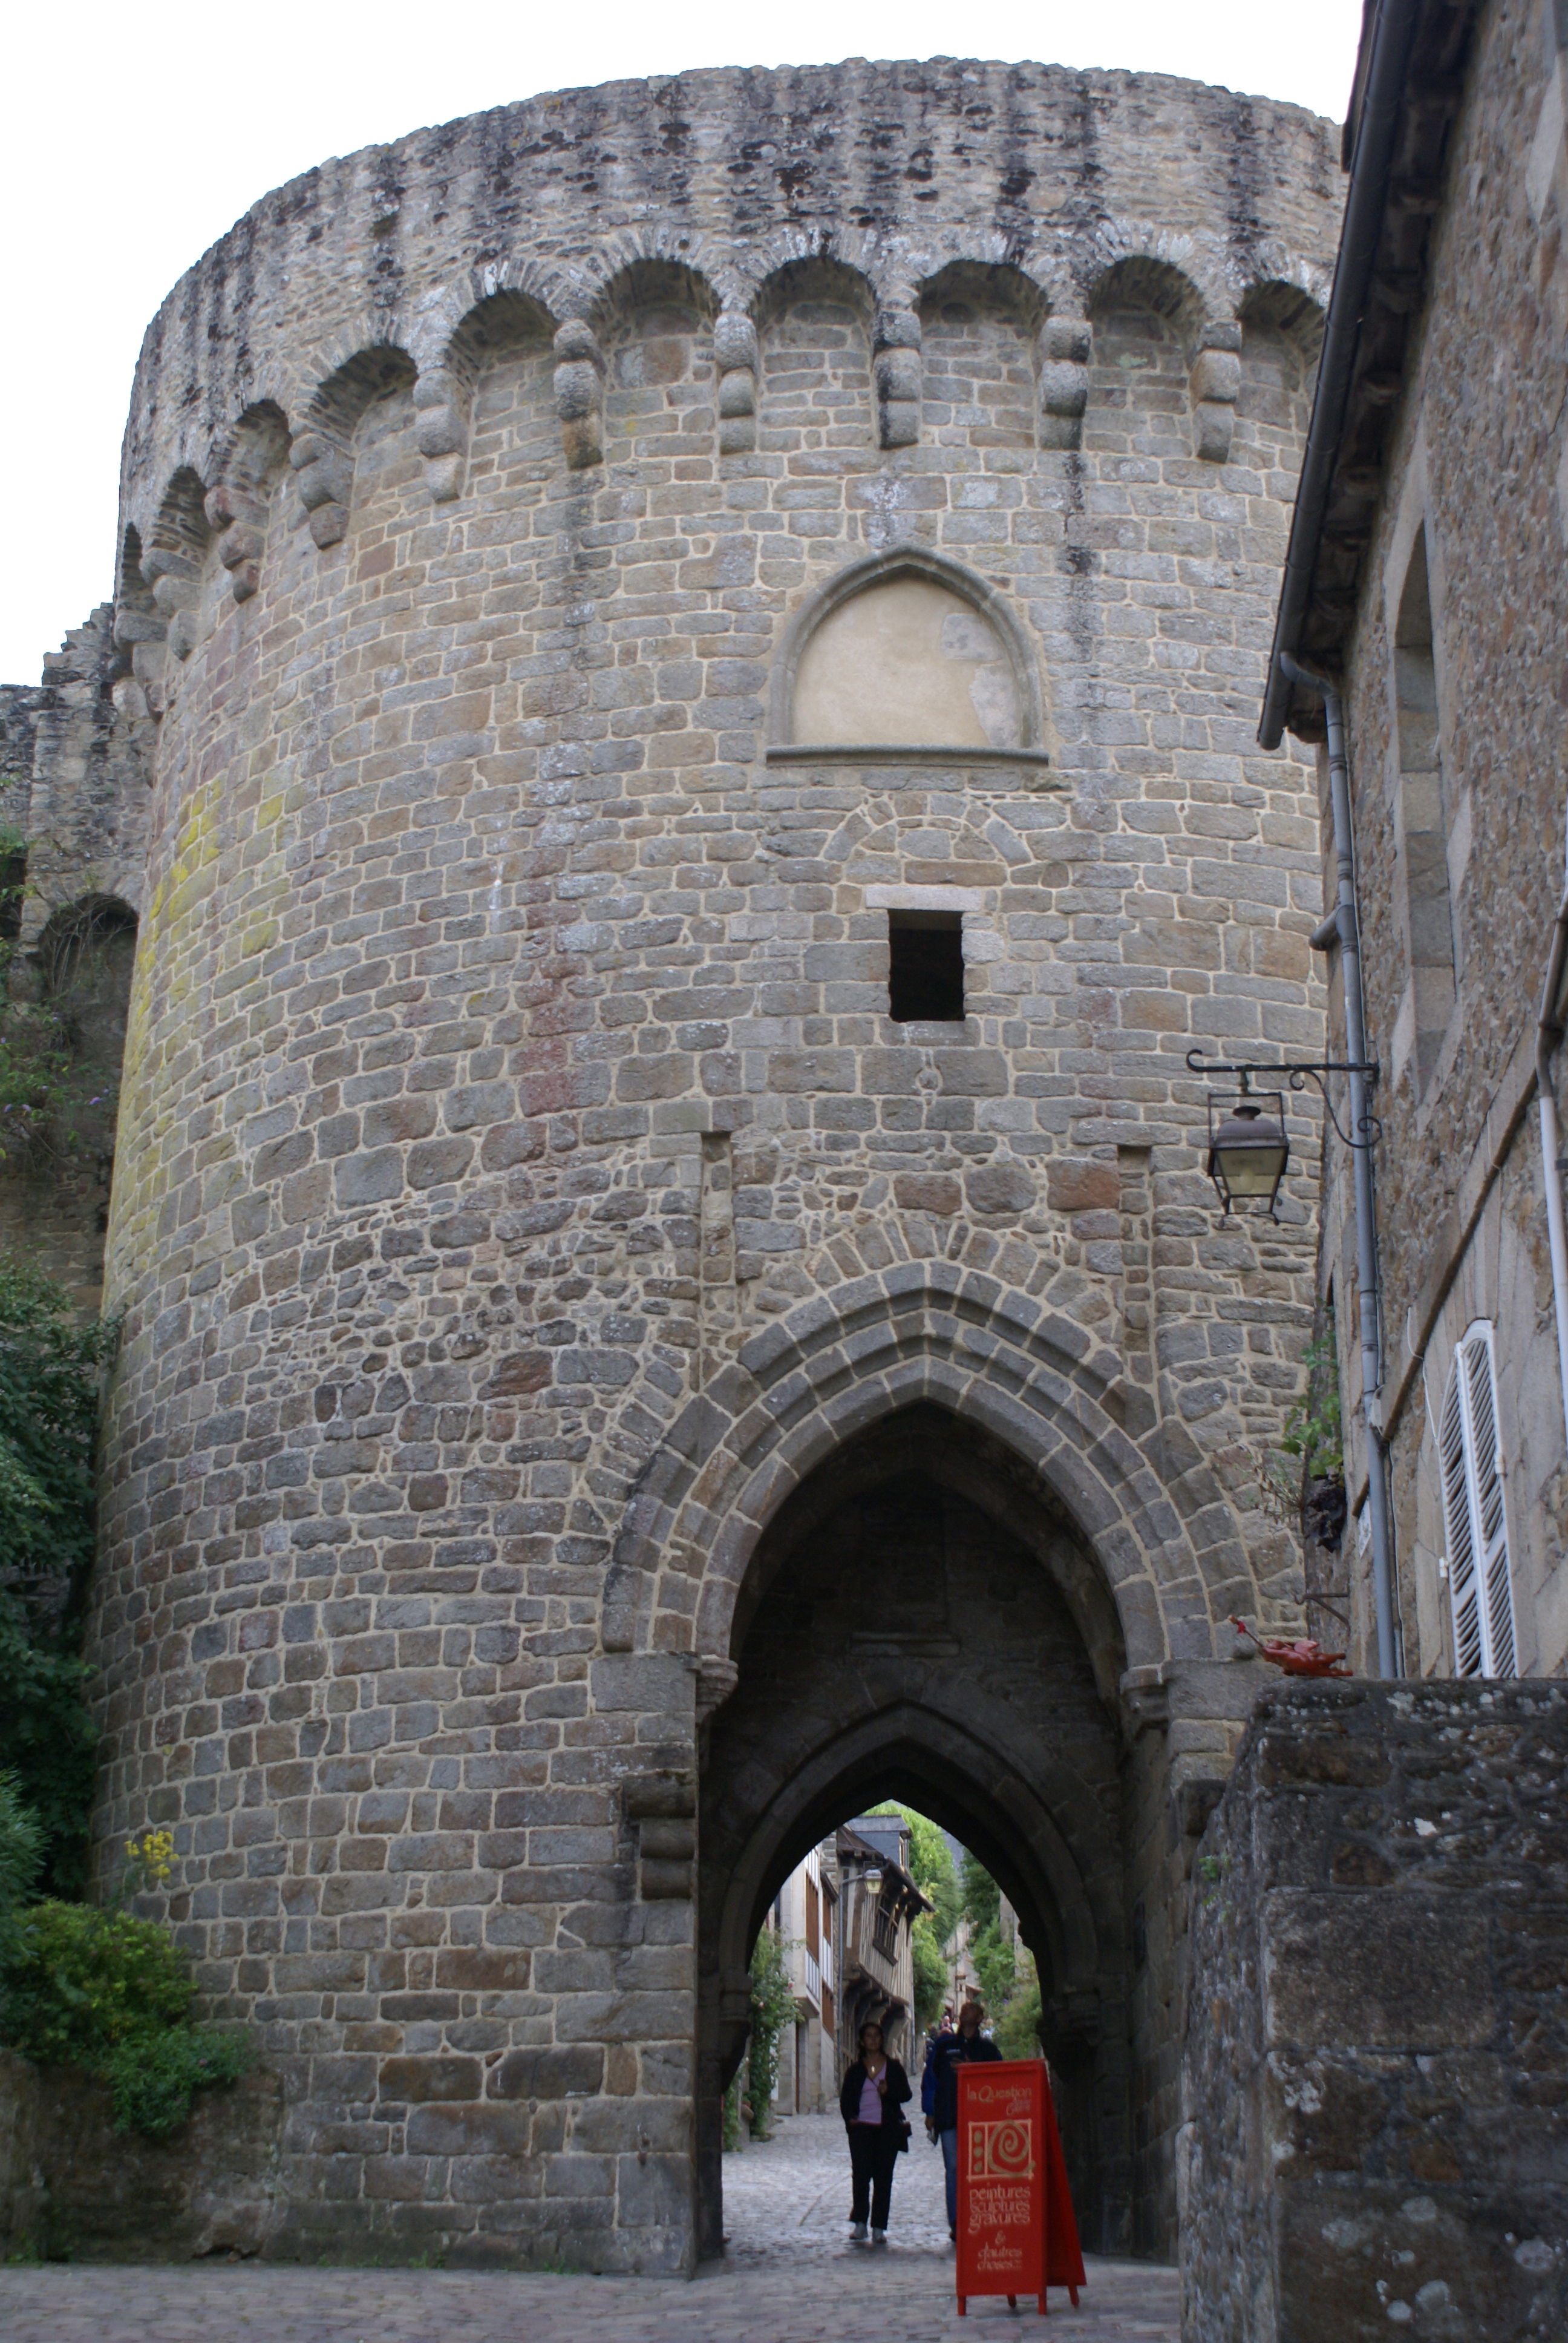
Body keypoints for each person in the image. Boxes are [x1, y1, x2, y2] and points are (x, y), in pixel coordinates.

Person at [927, 1997, 1002, 2240]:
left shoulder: (988, 2050)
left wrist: (973, 2069)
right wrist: (930, 2112)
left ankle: (979, 2216)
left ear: (980, 2018)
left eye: (972, 2008)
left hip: (980, 2118)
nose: (965, 2009)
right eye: (964, 2008)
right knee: (954, 2168)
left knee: (981, 2169)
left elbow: (1000, 2080)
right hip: (949, 2115)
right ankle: (957, 2222)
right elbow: (931, 2080)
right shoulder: (945, 2046)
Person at [838, 2017, 912, 2243]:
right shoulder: (855, 2070)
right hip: (861, 2129)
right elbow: (846, 2099)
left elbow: (906, 2095)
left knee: (883, 2179)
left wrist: (888, 2091)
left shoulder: (894, 2067)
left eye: (877, 2036)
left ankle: (879, 2226)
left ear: (881, 2040)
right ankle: (860, 2223)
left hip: (887, 2129)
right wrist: (850, 2119)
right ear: (862, 2041)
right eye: (869, 2036)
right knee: (860, 2176)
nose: (873, 2040)